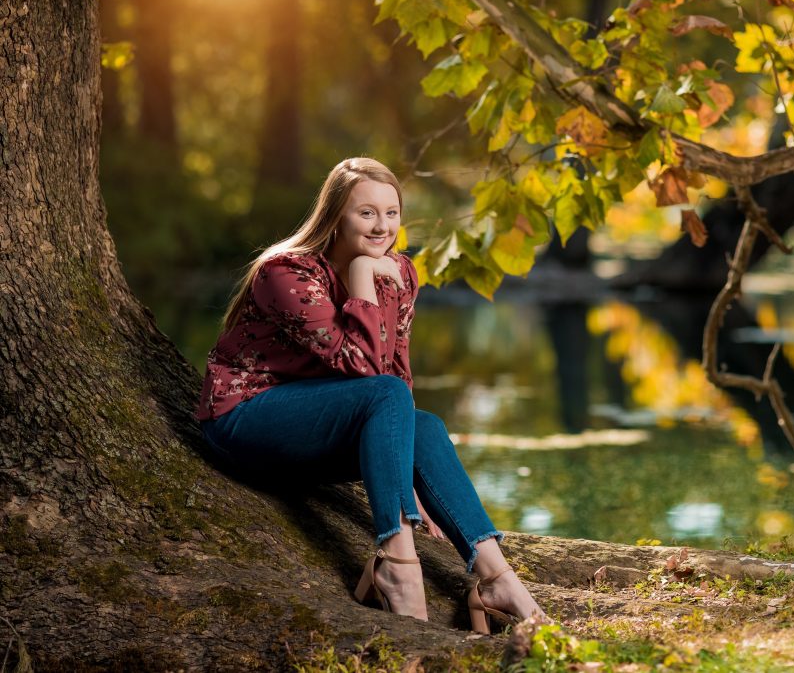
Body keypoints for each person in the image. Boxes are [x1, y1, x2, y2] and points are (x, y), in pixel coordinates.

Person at [195, 157, 544, 632]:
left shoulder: (400, 271)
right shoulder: (286, 273)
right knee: (382, 393)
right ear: (336, 215)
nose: (382, 226)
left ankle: (497, 579)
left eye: (392, 213)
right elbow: (362, 370)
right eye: (367, 213)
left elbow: (396, 372)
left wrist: (406, 465)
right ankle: (397, 563)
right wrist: (362, 277)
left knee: (425, 426)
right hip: (245, 419)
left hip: (317, 429)